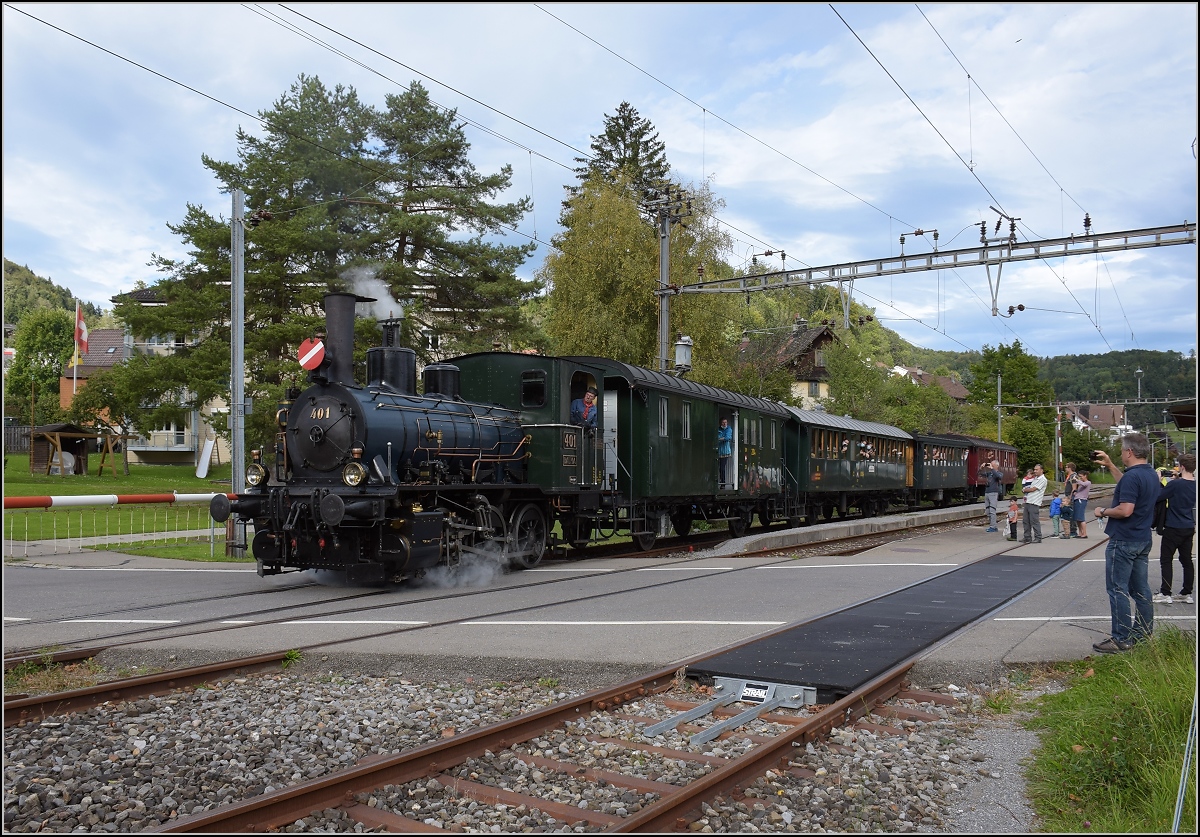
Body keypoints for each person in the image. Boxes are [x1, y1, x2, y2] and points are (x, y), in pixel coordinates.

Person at [1090, 433, 1160, 653]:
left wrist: (1102, 511)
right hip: (1142, 539)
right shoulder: (1150, 474)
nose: (1120, 454)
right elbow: (1129, 487)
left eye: (1121, 451)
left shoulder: (1133, 476)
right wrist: (1110, 465)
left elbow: (1125, 509)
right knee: (1141, 589)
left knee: (1117, 589)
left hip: (1124, 540)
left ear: (1130, 452)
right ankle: (1143, 634)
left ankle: (1120, 638)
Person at [1154, 453, 1195, 605]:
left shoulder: (1175, 484)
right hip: (1189, 526)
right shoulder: (1194, 484)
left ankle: (1166, 592)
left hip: (1173, 526)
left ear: (1182, 466)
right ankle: (1186, 592)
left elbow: (1158, 496)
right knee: (1186, 560)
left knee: (1166, 559)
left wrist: (1158, 480)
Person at [1021, 463, 1047, 543]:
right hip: (1028, 501)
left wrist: (1025, 490)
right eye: (1034, 469)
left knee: (1034, 520)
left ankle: (1038, 537)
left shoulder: (1043, 479)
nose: (1035, 471)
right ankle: (1027, 537)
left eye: (1036, 470)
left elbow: (1033, 489)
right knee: (1026, 520)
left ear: (1041, 470)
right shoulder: (1035, 478)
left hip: (1035, 502)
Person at [981, 458, 1004, 533]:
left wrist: (992, 469)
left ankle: (993, 527)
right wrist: (981, 468)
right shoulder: (989, 474)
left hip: (994, 493)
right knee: (988, 511)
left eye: (993, 465)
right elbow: (979, 474)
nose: (991, 466)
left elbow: (998, 477)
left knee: (992, 510)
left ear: (996, 466)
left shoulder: (999, 473)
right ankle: (992, 525)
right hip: (987, 492)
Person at [1072, 469, 1092, 539]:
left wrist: (1076, 480)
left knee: (1081, 518)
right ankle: (1080, 533)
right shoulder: (1081, 483)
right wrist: (1075, 492)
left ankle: (1085, 533)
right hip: (1077, 499)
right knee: (1077, 518)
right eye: (1079, 477)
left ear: (1085, 476)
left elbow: (1083, 484)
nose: (1080, 478)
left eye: (1081, 476)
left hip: (1082, 500)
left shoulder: (1088, 483)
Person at [1062, 462, 1079, 538]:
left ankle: (1073, 531)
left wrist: (1070, 498)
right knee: (1069, 514)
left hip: (1070, 497)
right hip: (1068, 496)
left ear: (1070, 468)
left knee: (1071, 514)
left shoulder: (1073, 476)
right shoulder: (1070, 476)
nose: (1065, 468)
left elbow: (1074, 488)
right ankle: (1070, 531)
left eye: (1066, 467)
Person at [717, 418, 733, 488]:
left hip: (725, 452)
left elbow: (727, 438)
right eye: (723, 422)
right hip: (718, 451)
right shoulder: (718, 429)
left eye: (725, 422)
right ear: (721, 423)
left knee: (722, 468)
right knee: (718, 468)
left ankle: (723, 483)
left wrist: (719, 439)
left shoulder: (729, 429)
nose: (724, 424)